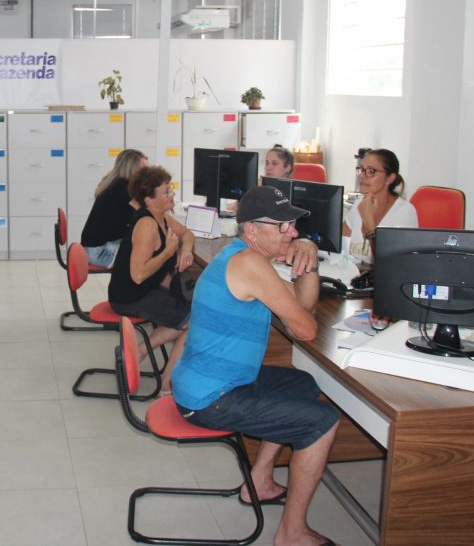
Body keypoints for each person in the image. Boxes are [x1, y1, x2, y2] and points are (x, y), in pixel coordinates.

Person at [172, 186, 339, 546]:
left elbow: (305, 305)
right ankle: (292, 533)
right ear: (252, 230)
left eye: (293, 225)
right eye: (283, 227)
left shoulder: (243, 257)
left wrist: (309, 258)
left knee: (303, 385)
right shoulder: (250, 264)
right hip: (210, 399)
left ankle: (260, 480)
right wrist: (302, 259)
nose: (292, 232)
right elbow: (306, 329)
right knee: (322, 422)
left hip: (212, 383)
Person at [108, 165, 194, 393]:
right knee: (195, 322)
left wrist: (185, 250)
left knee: (195, 311)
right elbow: (138, 276)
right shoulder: (146, 225)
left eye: (170, 190)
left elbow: (187, 234)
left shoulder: (162, 218)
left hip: (146, 290)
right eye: (166, 192)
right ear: (149, 199)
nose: (172, 195)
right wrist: (168, 251)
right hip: (129, 297)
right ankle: (167, 384)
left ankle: (140, 351)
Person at [342, 148, 417, 263]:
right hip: (354, 271)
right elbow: (340, 245)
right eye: (361, 170)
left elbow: (390, 263)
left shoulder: (404, 212)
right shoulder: (359, 203)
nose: (362, 176)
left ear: (390, 178)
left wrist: (369, 222)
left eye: (370, 171)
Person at [80, 149, 148, 268]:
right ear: (131, 169)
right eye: (143, 170)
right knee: (149, 255)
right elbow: (143, 211)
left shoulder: (116, 182)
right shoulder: (121, 185)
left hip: (97, 247)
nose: (147, 174)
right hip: (100, 251)